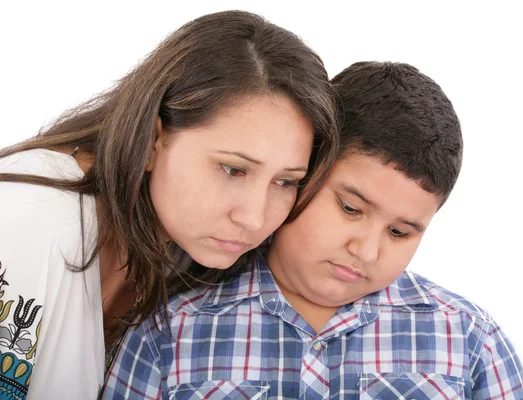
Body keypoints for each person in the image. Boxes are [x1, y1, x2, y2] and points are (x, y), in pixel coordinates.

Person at [103, 61, 523, 399]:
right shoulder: (170, 333)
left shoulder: (468, 339)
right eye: (350, 208)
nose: (366, 251)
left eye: (401, 233)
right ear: (303, 171)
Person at [0, 10, 339, 399]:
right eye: (232, 169)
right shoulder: (31, 217)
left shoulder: (185, 249)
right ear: (152, 139)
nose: (254, 217)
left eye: (286, 181)